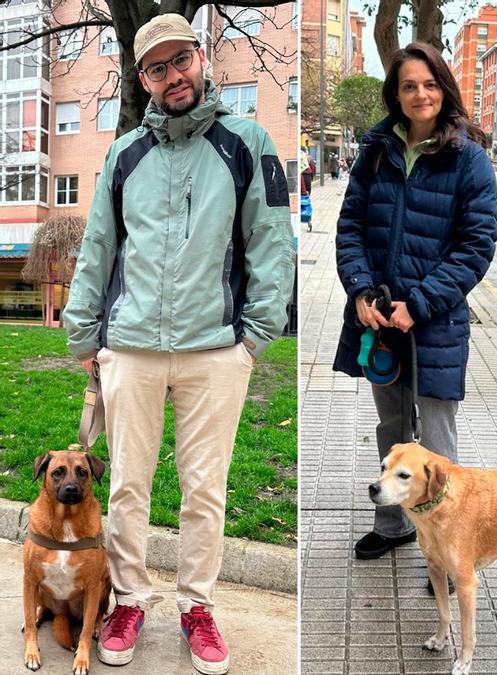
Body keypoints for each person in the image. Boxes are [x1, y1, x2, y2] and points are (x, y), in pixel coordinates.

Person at [62, 13, 295, 674]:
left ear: (202, 58)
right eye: (157, 68)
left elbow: (272, 245)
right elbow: (97, 247)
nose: (173, 76)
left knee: (204, 488)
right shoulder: (123, 153)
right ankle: (131, 599)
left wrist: (254, 337)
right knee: (129, 485)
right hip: (131, 348)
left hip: (216, 350)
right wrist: (84, 332)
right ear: (144, 80)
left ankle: (197, 606)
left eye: (181, 60)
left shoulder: (247, 141)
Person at [332, 43, 497, 576]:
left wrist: (420, 304)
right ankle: (394, 526)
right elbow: (350, 226)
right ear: (396, 94)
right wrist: (360, 292)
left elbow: (476, 246)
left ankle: (451, 552)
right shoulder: (376, 151)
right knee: (392, 426)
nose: (420, 94)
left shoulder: (468, 156)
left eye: (429, 84)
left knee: (438, 441)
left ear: (443, 88)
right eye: (408, 86)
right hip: (379, 321)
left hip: (434, 323)